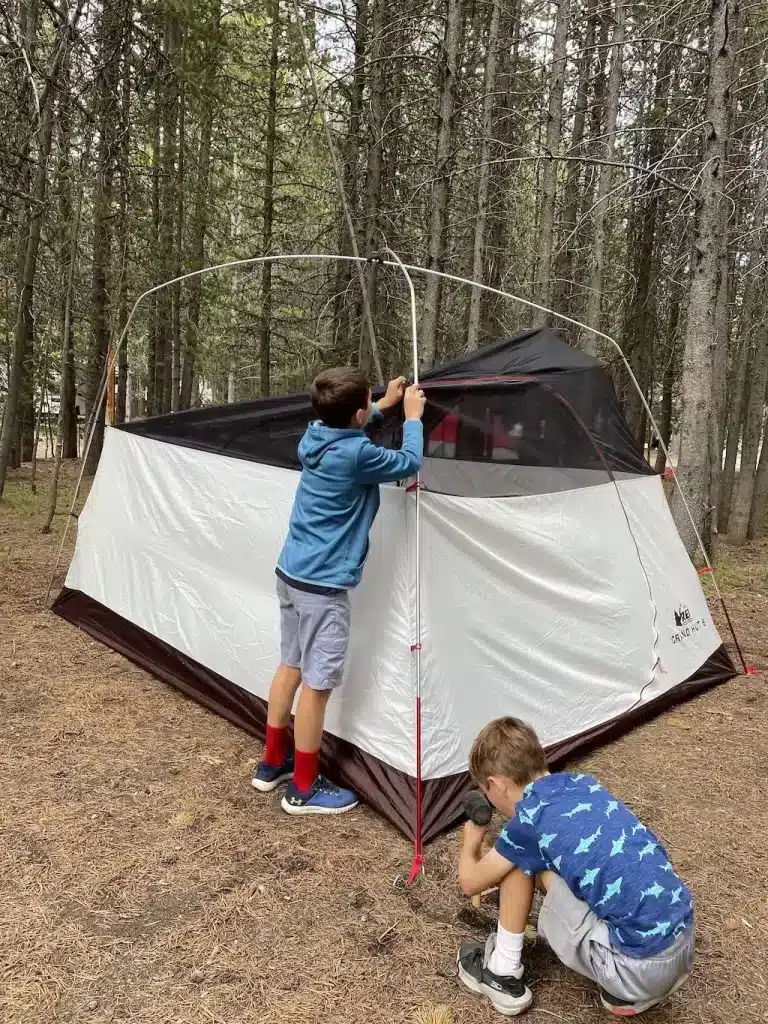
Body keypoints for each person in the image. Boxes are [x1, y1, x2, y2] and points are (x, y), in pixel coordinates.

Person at [251, 367, 426, 815]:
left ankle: (273, 763)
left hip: (291, 573)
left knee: (290, 666)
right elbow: (409, 462)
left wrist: (382, 406)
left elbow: (349, 430)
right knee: (317, 685)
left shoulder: (315, 435)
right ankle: (303, 787)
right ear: (358, 413)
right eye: (369, 400)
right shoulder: (358, 454)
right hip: (323, 588)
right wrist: (411, 418)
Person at [457, 717, 694, 1017]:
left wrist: (471, 842)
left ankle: (501, 973)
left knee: (518, 862)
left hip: (637, 969)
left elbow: (470, 882)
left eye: (486, 792)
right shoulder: (583, 784)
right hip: (683, 946)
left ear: (496, 785)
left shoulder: (529, 821)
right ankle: (630, 992)